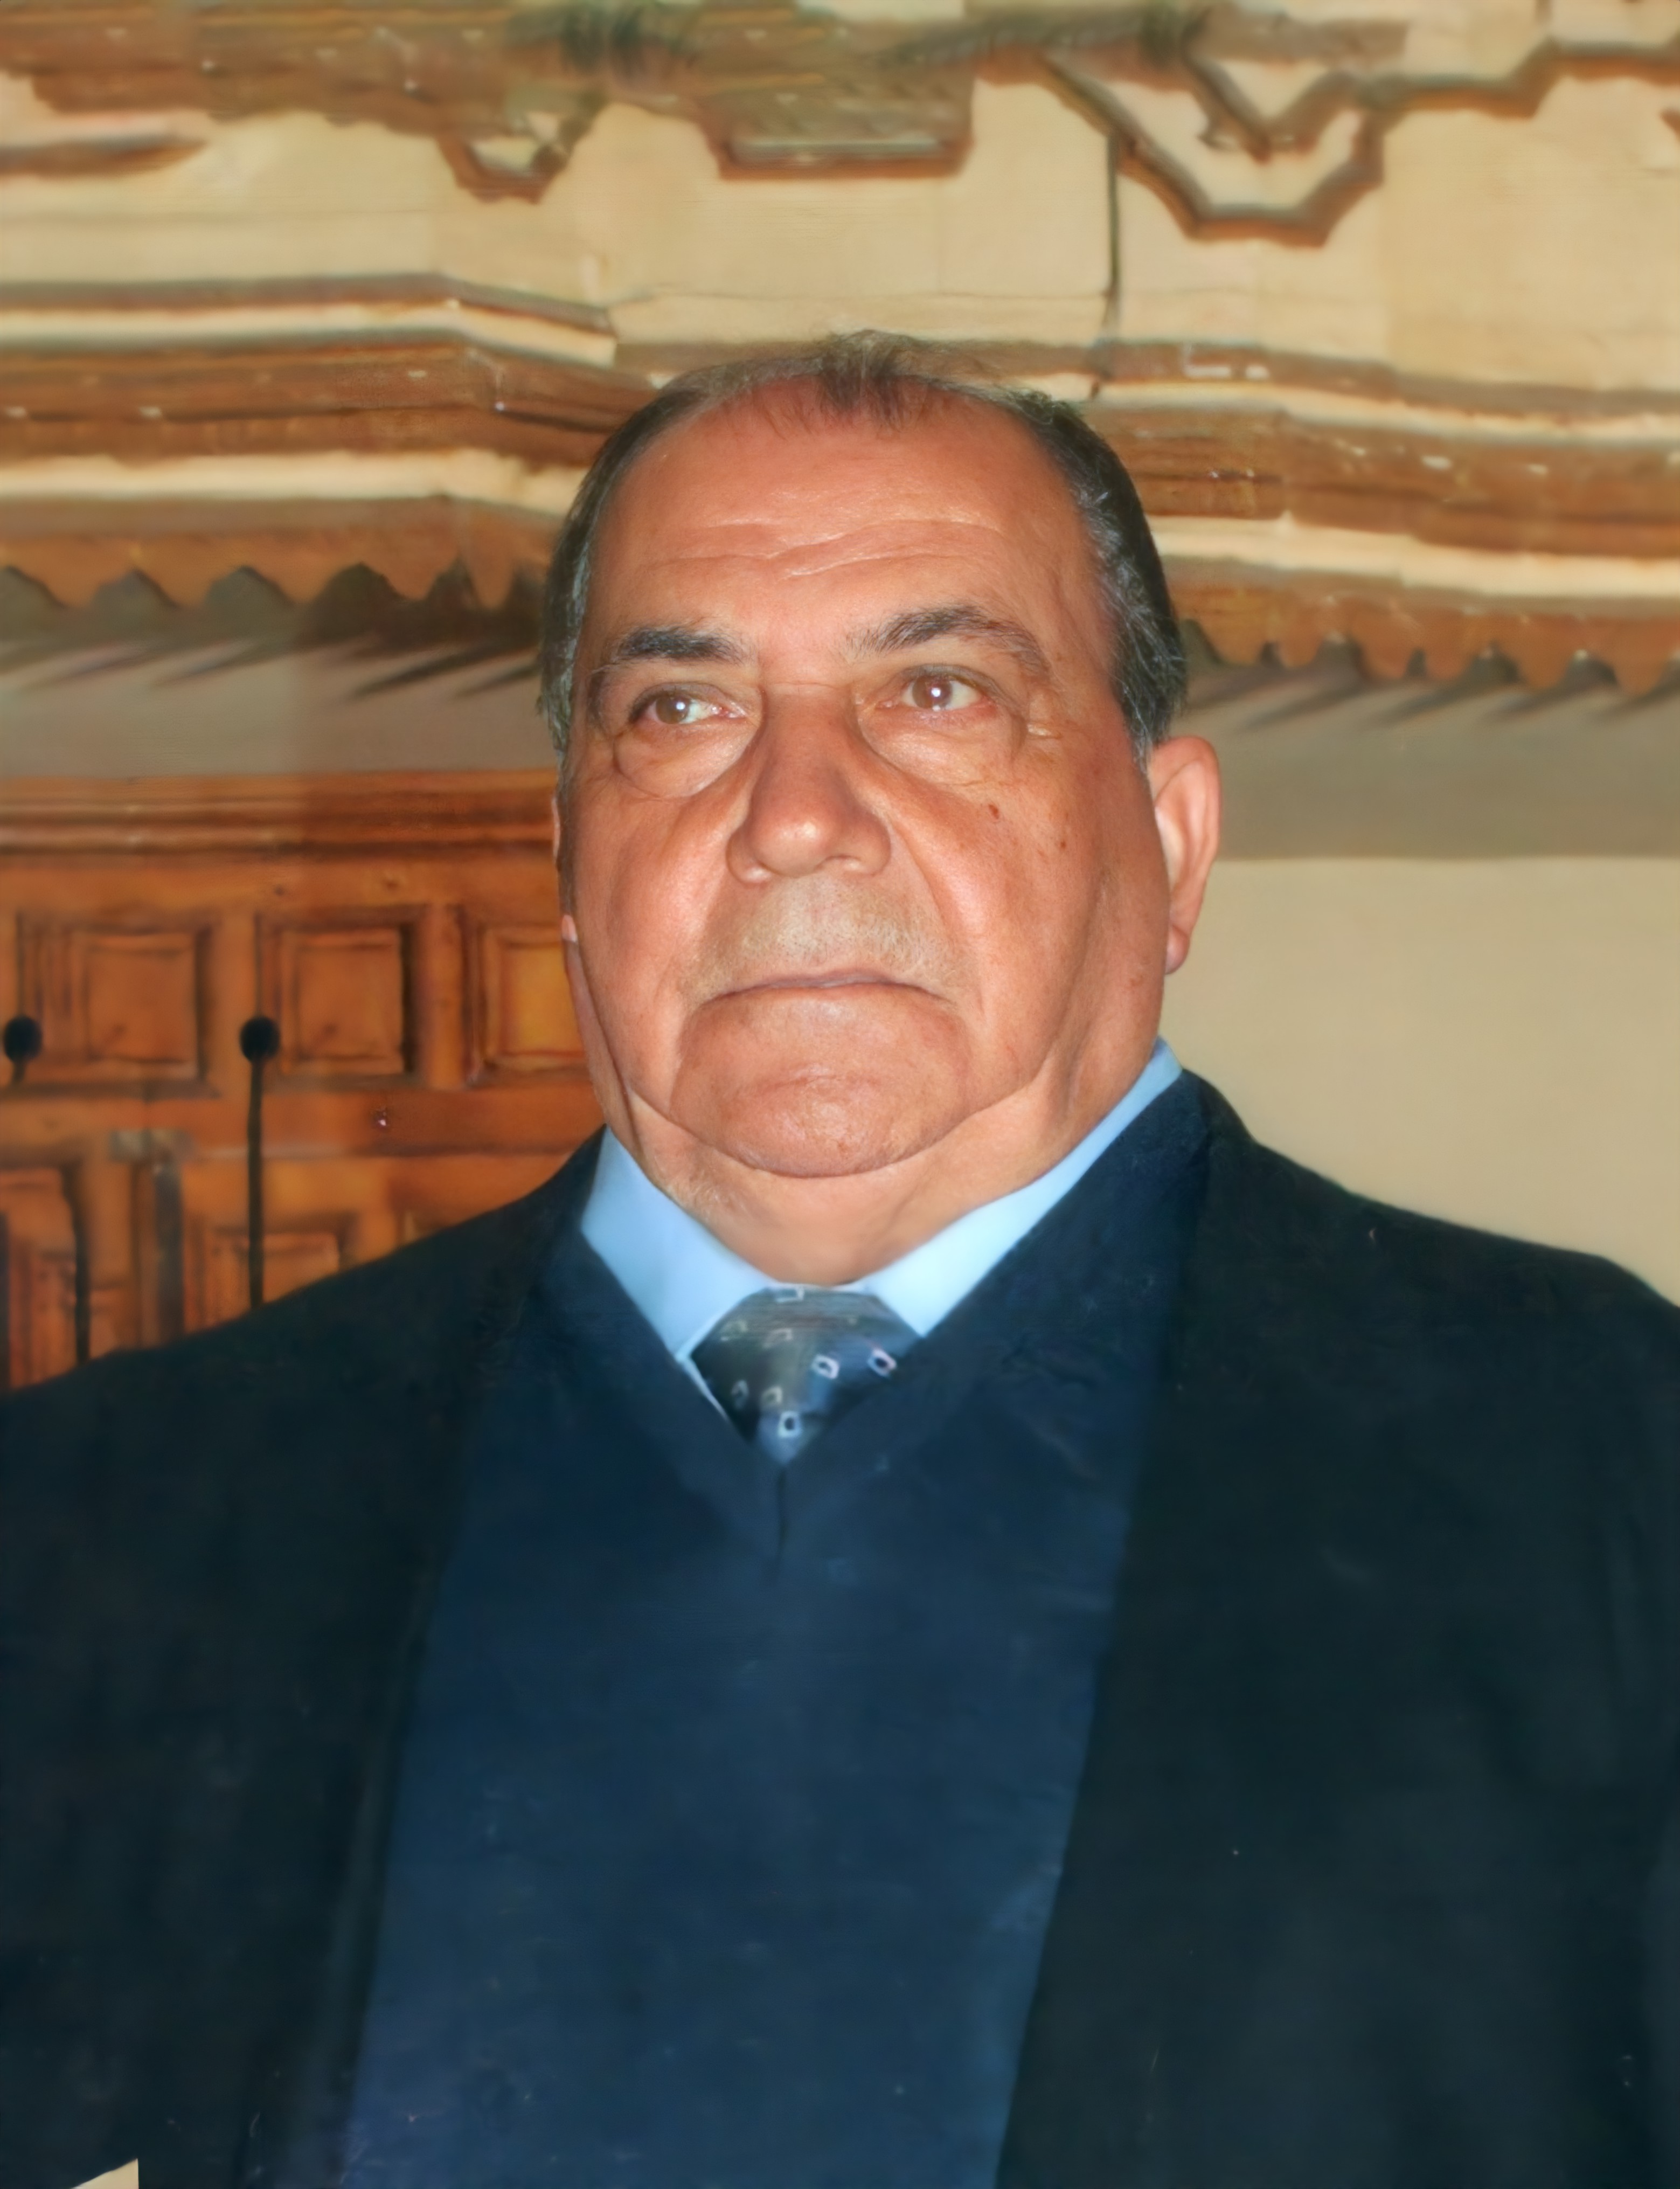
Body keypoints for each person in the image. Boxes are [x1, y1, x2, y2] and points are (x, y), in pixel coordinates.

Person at [1, 335, 1676, 2189]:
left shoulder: (1609, 1461)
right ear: (569, 865)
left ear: (1172, 845)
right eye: (681, 710)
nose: (794, 811)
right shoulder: (125, 1512)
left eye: (939, 691)